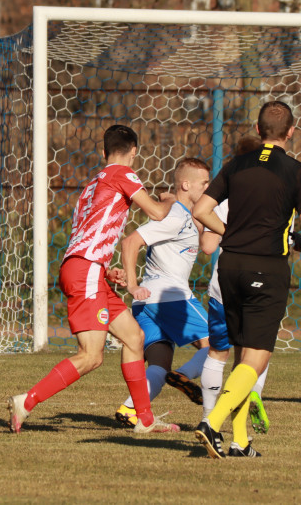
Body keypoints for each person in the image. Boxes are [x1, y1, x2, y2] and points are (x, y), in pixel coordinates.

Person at [7, 124, 179, 434]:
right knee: (91, 355)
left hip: (87, 269)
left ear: (103, 152)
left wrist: (104, 269)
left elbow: (87, 234)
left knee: (134, 337)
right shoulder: (122, 175)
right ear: (134, 153)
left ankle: (145, 420)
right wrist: (172, 200)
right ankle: (27, 401)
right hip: (85, 271)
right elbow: (156, 212)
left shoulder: (91, 186)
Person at [191, 101, 301, 459]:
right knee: (256, 359)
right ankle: (211, 422)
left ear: (259, 129)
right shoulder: (297, 171)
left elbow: (200, 210)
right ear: (290, 132)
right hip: (267, 268)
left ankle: (241, 441)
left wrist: (229, 231)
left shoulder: (235, 165)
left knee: (241, 357)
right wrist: (300, 242)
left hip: (229, 267)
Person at [112, 158, 213, 427]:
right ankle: (183, 375)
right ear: (186, 184)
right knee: (216, 342)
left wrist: (168, 198)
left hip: (148, 304)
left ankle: (130, 410)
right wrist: (132, 285)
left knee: (159, 363)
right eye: (204, 183)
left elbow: (195, 225)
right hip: (170, 297)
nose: (208, 187)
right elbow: (131, 241)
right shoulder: (177, 217)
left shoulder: (180, 214)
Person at [197, 135, 272, 434]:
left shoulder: (226, 195)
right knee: (255, 352)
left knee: (218, 352)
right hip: (261, 280)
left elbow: (206, 246)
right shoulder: (277, 193)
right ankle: (252, 395)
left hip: (223, 282)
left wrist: (224, 231)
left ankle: (207, 416)